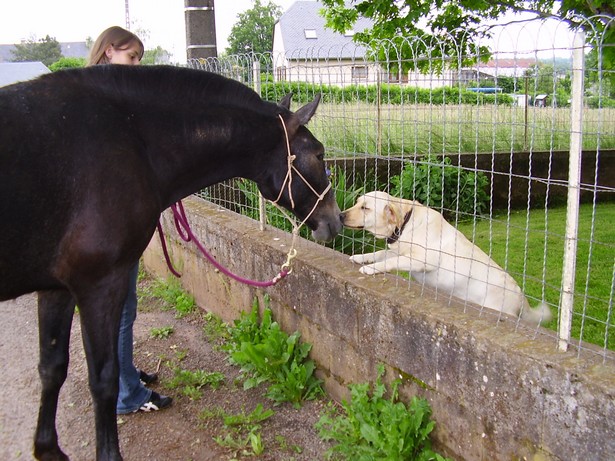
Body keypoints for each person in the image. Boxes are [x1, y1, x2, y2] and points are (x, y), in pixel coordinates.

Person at [87, 26, 173, 414]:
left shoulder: (99, 93)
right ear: (108, 52)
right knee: (121, 306)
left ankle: (124, 375)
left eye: (139, 57)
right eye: (131, 56)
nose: (137, 64)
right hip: (112, 221)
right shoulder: (109, 96)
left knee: (124, 304)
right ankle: (127, 394)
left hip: (111, 217)